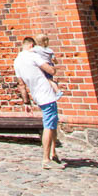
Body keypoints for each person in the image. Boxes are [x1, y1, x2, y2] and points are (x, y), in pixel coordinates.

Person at [14, 36, 64, 169]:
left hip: (37, 95)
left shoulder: (17, 61)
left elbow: (21, 85)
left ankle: (53, 153)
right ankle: (46, 159)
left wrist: (26, 103)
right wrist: (53, 67)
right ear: (31, 45)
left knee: (52, 124)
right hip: (46, 94)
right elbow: (51, 70)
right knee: (48, 126)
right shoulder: (33, 56)